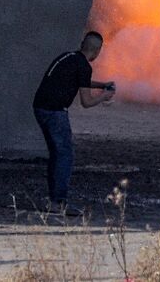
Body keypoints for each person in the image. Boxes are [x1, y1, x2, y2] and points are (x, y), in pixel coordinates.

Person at [32, 32, 115, 214]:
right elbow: (86, 102)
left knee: (57, 154)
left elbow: (80, 81)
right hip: (55, 111)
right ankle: (58, 203)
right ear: (97, 50)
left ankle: (54, 200)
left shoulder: (68, 57)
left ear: (82, 43)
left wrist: (101, 85)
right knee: (65, 156)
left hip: (41, 108)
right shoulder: (84, 66)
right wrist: (104, 97)